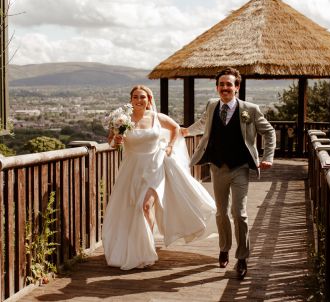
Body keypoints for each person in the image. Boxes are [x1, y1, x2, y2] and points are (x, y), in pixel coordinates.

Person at [102, 85, 217, 270]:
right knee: (131, 208)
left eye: (143, 97)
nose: (139, 100)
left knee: (145, 206)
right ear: (131, 100)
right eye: (136, 97)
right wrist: (115, 141)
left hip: (155, 166)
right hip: (131, 169)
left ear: (149, 99)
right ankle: (143, 247)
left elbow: (176, 129)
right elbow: (113, 143)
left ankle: (146, 249)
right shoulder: (121, 120)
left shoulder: (157, 117)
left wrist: (170, 146)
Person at [182, 68, 276, 280]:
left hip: (240, 167)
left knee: (239, 213)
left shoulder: (250, 110)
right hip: (217, 167)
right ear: (217, 87)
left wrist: (268, 156)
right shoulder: (212, 105)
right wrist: (185, 131)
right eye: (221, 84)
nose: (225, 88)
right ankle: (224, 248)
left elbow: (269, 131)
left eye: (229, 84)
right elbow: (204, 123)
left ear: (237, 87)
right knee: (221, 212)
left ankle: (242, 257)